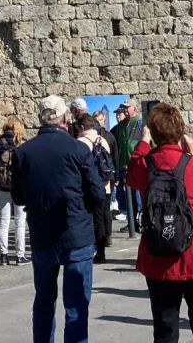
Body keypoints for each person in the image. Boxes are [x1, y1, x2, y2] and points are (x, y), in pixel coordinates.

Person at [127, 101, 193, 342]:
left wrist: (142, 141)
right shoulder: (192, 164)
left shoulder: (144, 164)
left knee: (165, 330)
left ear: (153, 133)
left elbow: (131, 175)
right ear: (179, 132)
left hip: (158, 254)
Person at [14, 94, 104, 343]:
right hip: (75, 233)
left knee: (43, 301)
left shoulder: (24, 153)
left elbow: (19, 197)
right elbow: (97, 193)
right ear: (64, 118)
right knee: (76, 307)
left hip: (43, 235)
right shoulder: (77, 149)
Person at [70, 97, 116, 262]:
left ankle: (89, 248)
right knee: (101, 216)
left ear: (81, 127)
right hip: (105, 184)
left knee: (88, 218)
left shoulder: (80, 142)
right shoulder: (103, 139)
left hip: (88, 186)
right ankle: (102, 250)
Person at [0, 117, 29, 264]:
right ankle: (20, 256)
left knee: (4, 220)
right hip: (19, 187)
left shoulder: (0, 143)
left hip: (2, 186)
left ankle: (3, 256)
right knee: (20, 221)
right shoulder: (22, 144)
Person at [111, 102, 143, 234]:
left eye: (126, 107)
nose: (124, 110)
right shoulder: (120, 127)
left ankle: (142, 222)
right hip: (125, 167)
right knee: (128, 196)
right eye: (122, 108)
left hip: (138, 165)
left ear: (134, 109)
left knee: (138, 195)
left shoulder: (140, 124)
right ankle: (132, 223)